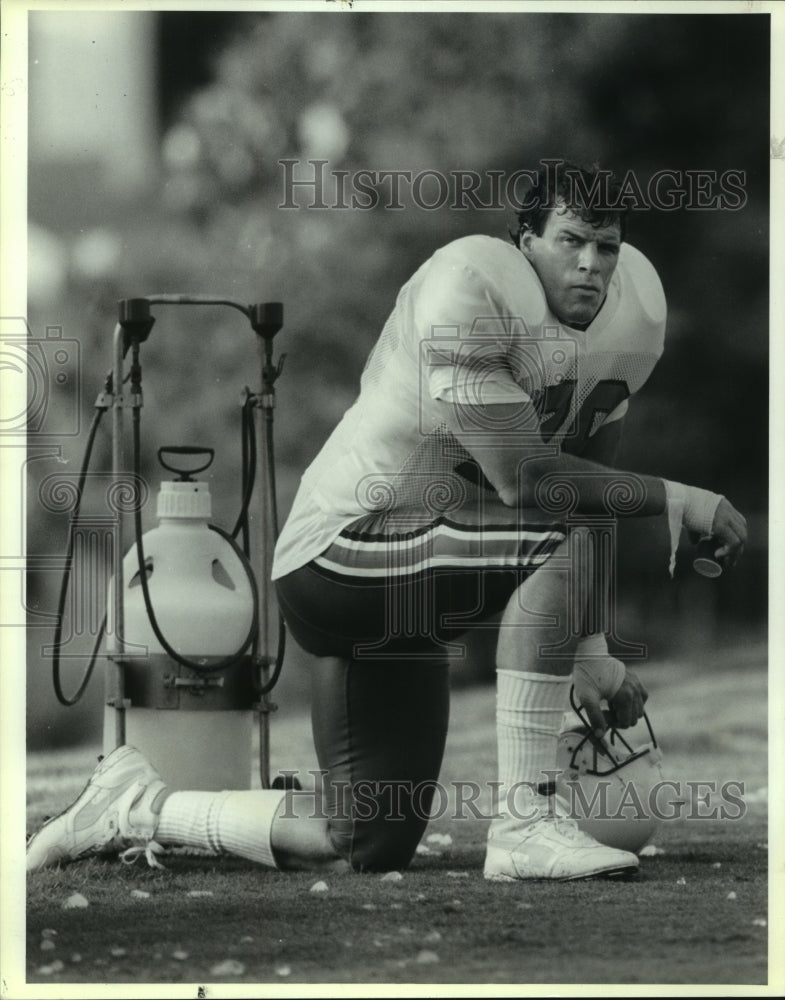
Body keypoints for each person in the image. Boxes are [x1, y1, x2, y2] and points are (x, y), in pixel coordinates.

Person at [27, 160, 747, 882]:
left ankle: (135, 807)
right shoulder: (469, 289)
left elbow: (587, 492)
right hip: (338, 553)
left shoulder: (629, 319)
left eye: (606, 246)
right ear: (524, 241)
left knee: (361, 843)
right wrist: (675, 498)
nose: (590, 265)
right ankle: (525, 821)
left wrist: (590, 651)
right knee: (543, 539)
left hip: (411, 576)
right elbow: (523, 479)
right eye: (570, 241)